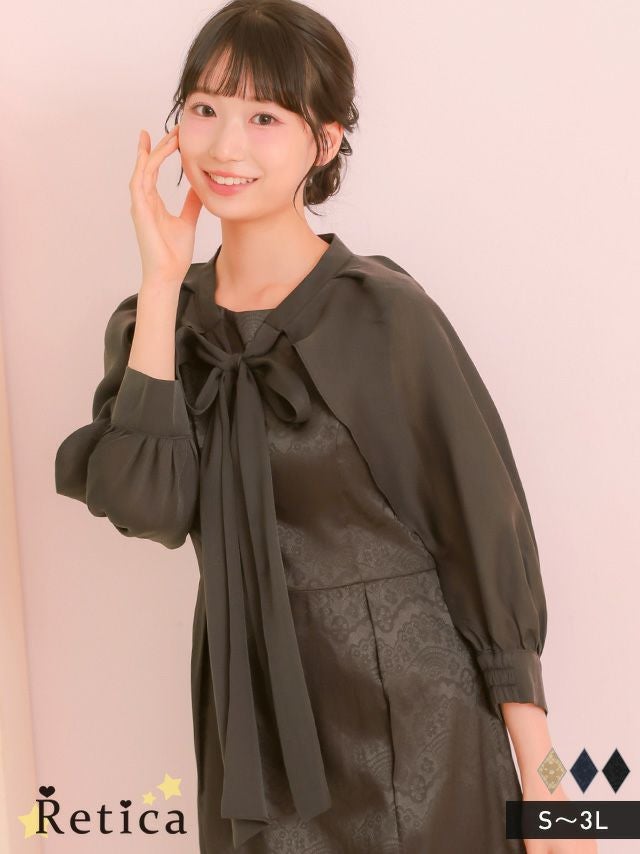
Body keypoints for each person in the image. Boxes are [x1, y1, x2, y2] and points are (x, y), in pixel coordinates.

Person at [54, 2, 597, 852]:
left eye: (264, 118)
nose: (225, 146)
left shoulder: (385, 316)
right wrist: (161, 282)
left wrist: (552, 790)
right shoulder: (156, 326)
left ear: (326, 141)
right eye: (204, 108)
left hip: (417, 735)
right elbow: (147, 509)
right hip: (253, 737)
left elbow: (485, 541)